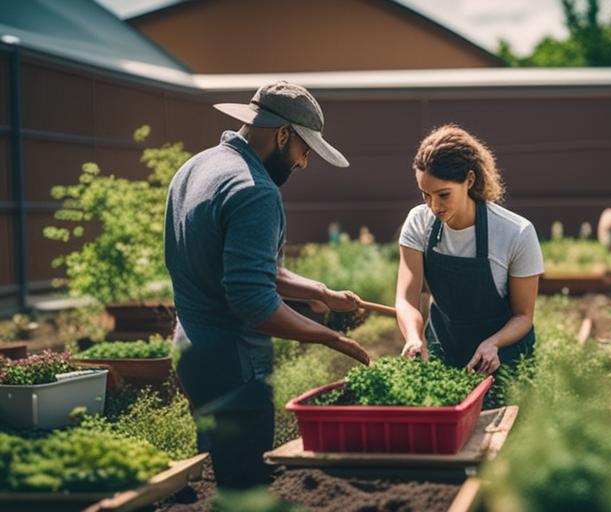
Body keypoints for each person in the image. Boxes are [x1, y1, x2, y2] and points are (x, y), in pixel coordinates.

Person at [164, 81, 370, 489]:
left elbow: (249, 269)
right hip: (234, 366)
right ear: (282, 135)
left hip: (193, 354)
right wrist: (330, 338)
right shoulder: (256, 191)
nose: (304, 163)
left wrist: (321, 293)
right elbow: (252, 300)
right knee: (245, 489)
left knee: (219, 481)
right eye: (305, 149)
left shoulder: (196, 168)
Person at [395, 124, 543, 375]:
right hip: (444, 352)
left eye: (443, 195)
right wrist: (413, 337)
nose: (434, 206)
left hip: (503, 360)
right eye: (425, 195)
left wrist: (493, 344)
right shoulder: (419, 223)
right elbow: (406, 299)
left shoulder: (516, 233)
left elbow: (523, 316)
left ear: (470, 180)